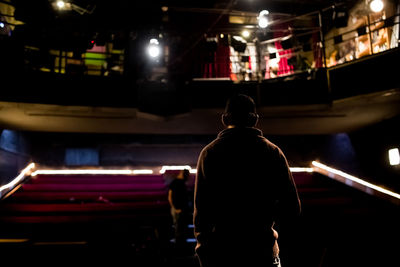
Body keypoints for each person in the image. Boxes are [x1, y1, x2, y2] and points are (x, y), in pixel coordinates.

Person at [193, 94, 301, 267]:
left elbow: (202, 210)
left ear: (224, 118)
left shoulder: (209, 153)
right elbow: (291, 208)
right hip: (262, 250)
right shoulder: (273, 152)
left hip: (223, 252)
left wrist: (203, 251)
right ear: (255, 119)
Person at [168, 168, 190, 250]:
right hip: (177, 209)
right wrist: (175, 208)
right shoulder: (176, 182)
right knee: (178, 228)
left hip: (181, 209)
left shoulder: (182, 183)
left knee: (181, 228)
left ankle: (181, 245)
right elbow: (170, 197)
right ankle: (179, 246)